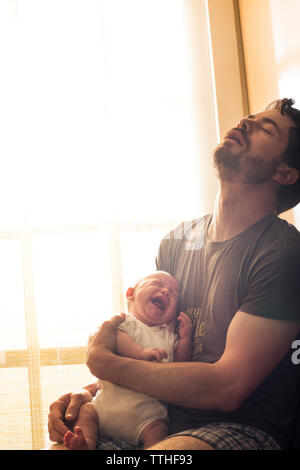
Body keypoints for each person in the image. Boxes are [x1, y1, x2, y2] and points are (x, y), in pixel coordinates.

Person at [48, 98, 300, 451]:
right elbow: (154, 353)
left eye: (266, 128)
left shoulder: (283, 253)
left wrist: (103, 363)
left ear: (285, 173)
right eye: (251, 117)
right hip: (156, 418)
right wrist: (90, 391)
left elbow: (227, 387)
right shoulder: (176, 243)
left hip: (240, 429)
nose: (245, 121)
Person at [61, 271, 193, 450]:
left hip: (147, 416)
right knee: (86, 411)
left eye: (174, 293)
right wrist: (140, 353)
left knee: (159, 428)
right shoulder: (123, 321)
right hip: (104, 408)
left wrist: (185, 340)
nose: (166, 292)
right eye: (158, 284)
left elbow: (180, 366)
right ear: (131, 293)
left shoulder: (168, 336)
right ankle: (87, 444)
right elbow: (117, 340)